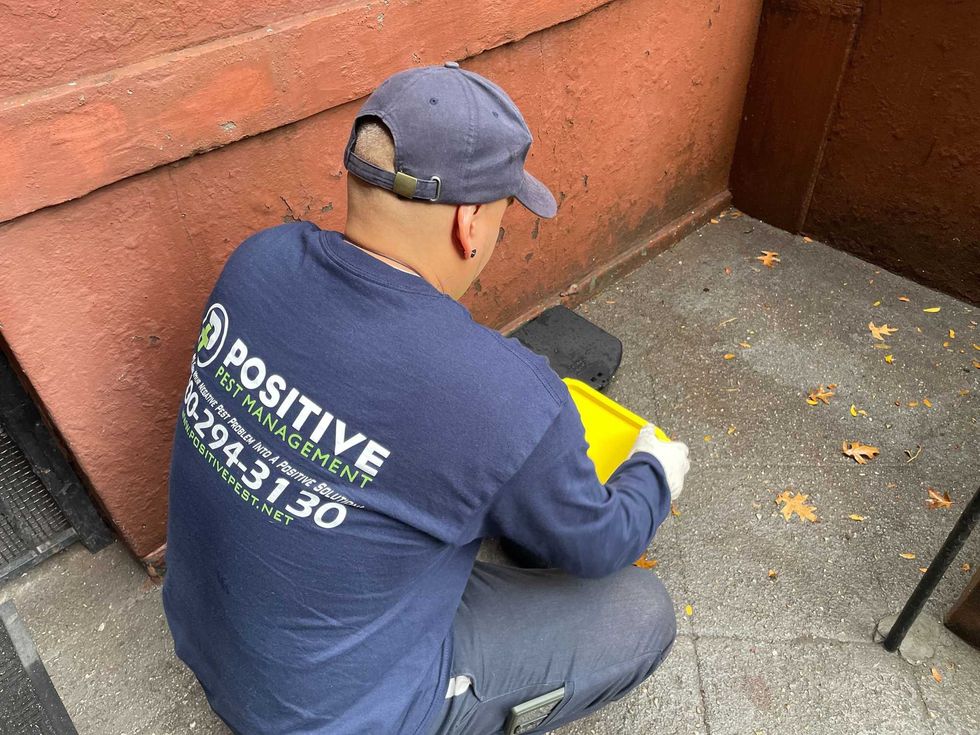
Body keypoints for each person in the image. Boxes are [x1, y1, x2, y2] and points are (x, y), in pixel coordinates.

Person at [162, 62, 690, 735]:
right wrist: (655, 472)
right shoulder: (504, 396)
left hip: (207, 636)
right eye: (503, 216)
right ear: (470, 223)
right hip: (326, 715)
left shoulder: (257, 259)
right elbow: (600, 542)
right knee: (641, 611)